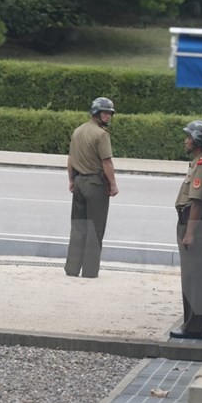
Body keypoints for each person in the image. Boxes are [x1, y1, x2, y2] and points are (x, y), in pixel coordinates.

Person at [170, 120, 202, 340]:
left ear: (198, 141)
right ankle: (192, 324)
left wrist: (189, 234)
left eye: (189, 137)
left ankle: (195, 327)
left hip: (194, 225)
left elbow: (196, 203)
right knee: (191, 277)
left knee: (194, 279)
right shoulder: (198, 164)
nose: (185, 141)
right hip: (191, 223)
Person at [64, 97, 119, 278]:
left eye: (110, 113)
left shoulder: (78, 131)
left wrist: (71, 180)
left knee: (78, 227)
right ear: (96, 113)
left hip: (79, 181)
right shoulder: (101, 135)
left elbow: (71, 159)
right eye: (105, 112)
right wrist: (113, 184)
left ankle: (72, 268)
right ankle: (89, 271)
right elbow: (107, 162)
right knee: (95, 229)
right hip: (95, 184)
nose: (108, 116)